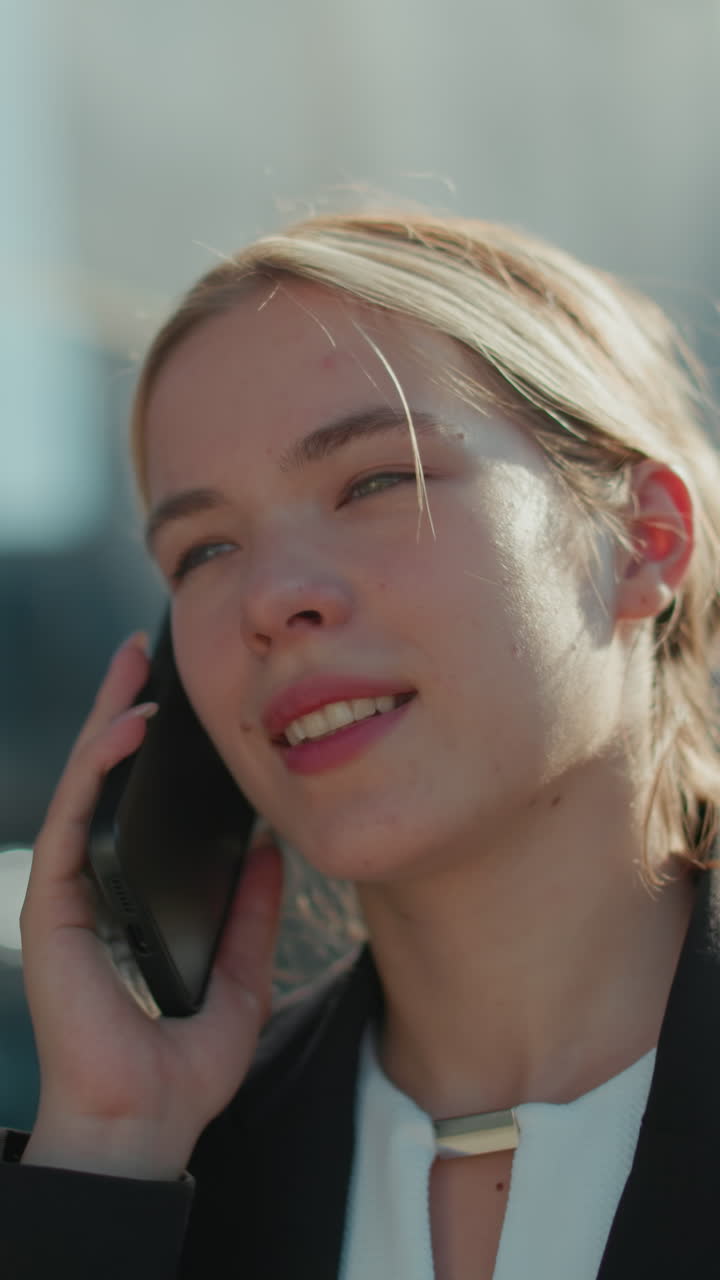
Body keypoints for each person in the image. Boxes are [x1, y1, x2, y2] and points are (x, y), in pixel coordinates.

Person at [3, 209, 720, 1280]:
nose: (271, 596)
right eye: (204, 549)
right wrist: (109, 1151)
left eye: (376, 481)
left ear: (642, 540)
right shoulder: (163, 1177)